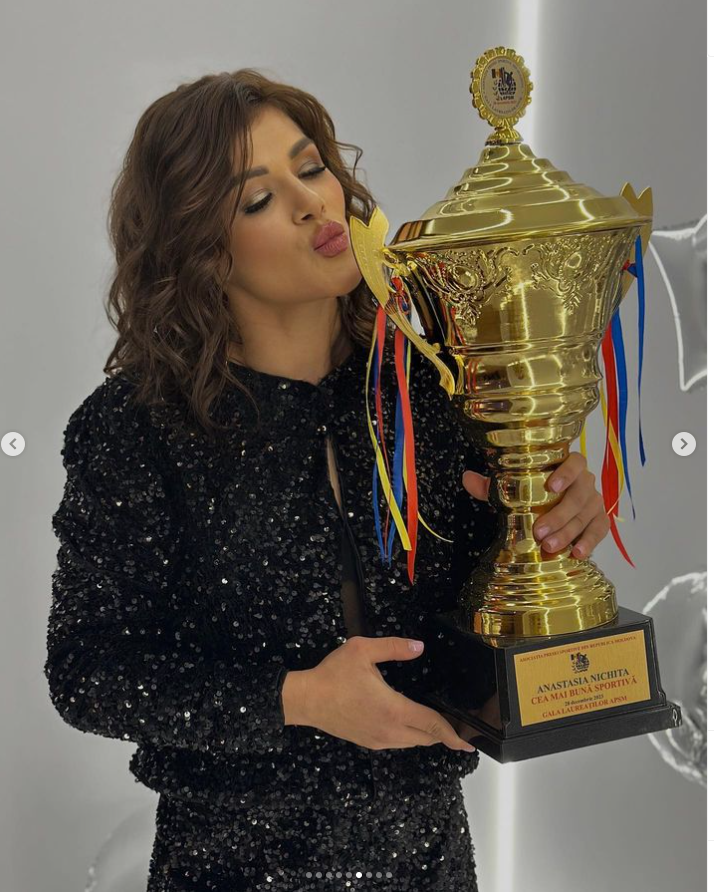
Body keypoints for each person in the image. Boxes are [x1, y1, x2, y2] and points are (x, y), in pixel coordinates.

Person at [44, 69, 607, 891]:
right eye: (257, 199)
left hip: (429, 862)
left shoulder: (431, 385)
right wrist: (298, 698)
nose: (314, 203)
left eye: (311, 168)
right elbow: (88, 673)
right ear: (201, 250)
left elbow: (488, 604)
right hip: (226, 870)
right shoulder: (137, 427)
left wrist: (548, 517)